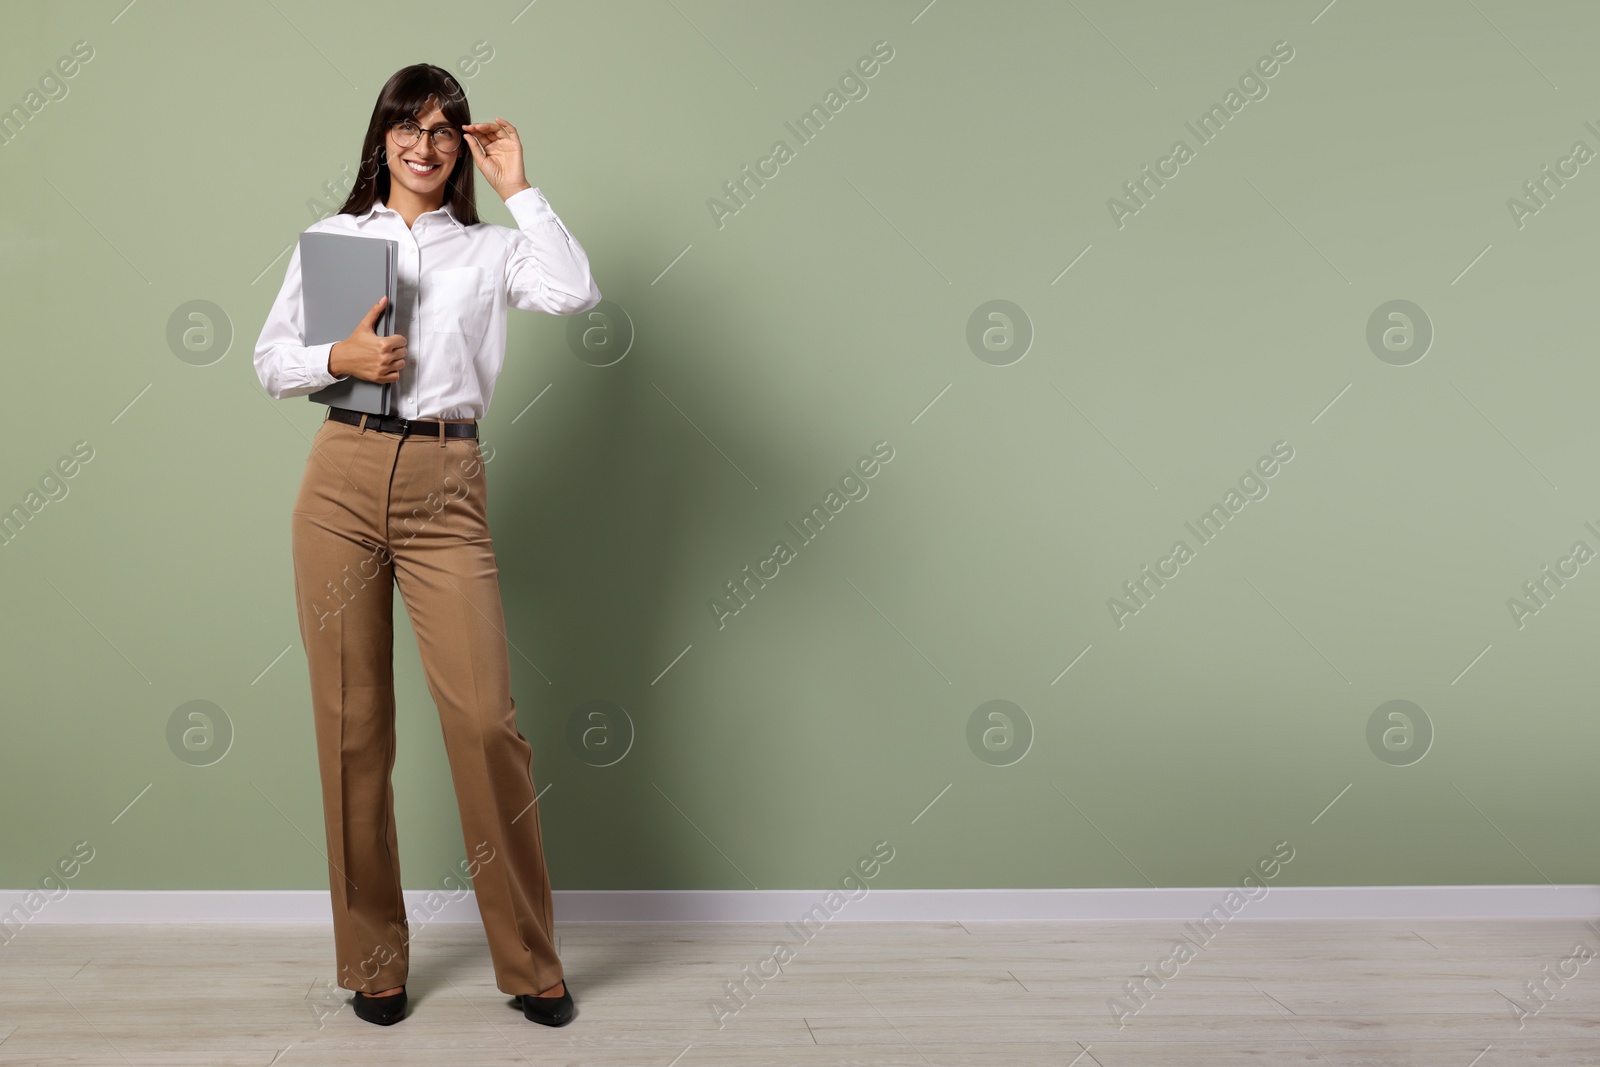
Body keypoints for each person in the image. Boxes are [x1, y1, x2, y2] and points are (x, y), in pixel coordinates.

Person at [252, 62, 600, 1028]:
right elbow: (271, 360)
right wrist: (340, 358)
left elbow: (575, 292)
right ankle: (373, 961)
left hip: (448, 485)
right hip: (340, 481)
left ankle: (531, 963)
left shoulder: (489, 253)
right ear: (384, 138)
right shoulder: (333, 240)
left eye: (446, 129)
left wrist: (520, 183)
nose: (427, 142)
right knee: (352, 728)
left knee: (486, 722)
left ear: (461, 151)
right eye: (410, 124)